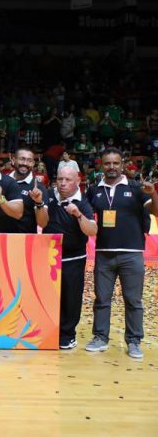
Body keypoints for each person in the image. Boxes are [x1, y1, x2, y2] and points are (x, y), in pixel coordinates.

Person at [84, 147, 158, 359]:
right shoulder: (94, 190)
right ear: (101, 165)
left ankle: (134, 341)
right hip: (103, 253)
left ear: (122, 164)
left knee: (133, 300)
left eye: (116, 163)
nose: (112, 167)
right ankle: (100, 338)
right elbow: (84, 213)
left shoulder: (136, 188)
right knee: (102, 299)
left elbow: (156, 211)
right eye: (107, 163)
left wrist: (153, 193)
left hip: (131, 253)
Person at [42, 165, 97, 350]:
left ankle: (67, 335)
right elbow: (41, 220)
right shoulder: (49, 195)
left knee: (71, 297)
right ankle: (48, 332)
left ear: (77, 181)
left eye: (68, 180)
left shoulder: (83, 202)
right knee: (48, 296)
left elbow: (92, 230)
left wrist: (77, 214)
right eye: (60, 179)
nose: (63, 183)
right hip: (48, 256)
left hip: (73, 258)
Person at [9, 147, 49, 233]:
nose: (25, 163)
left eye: (29, 160)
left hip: (24, 239)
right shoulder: (3, 181)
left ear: (33, 163)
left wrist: (39, 202)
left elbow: (43, 224)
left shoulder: (38, 188)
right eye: (22, 159)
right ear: (13, 160)